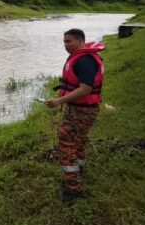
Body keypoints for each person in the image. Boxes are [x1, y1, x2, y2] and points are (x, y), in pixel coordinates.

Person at [45, 28, 105, 202]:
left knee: (66, 144)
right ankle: (78, 172)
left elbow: (85, 89)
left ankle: (73, 190)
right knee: (77, 141)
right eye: (64, 42)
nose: (65, 45)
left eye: (68, 41)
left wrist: (59, 101)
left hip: (82, 110)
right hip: (80, 109)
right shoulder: (82, 58)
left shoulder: (84, 61)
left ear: (80, 40)